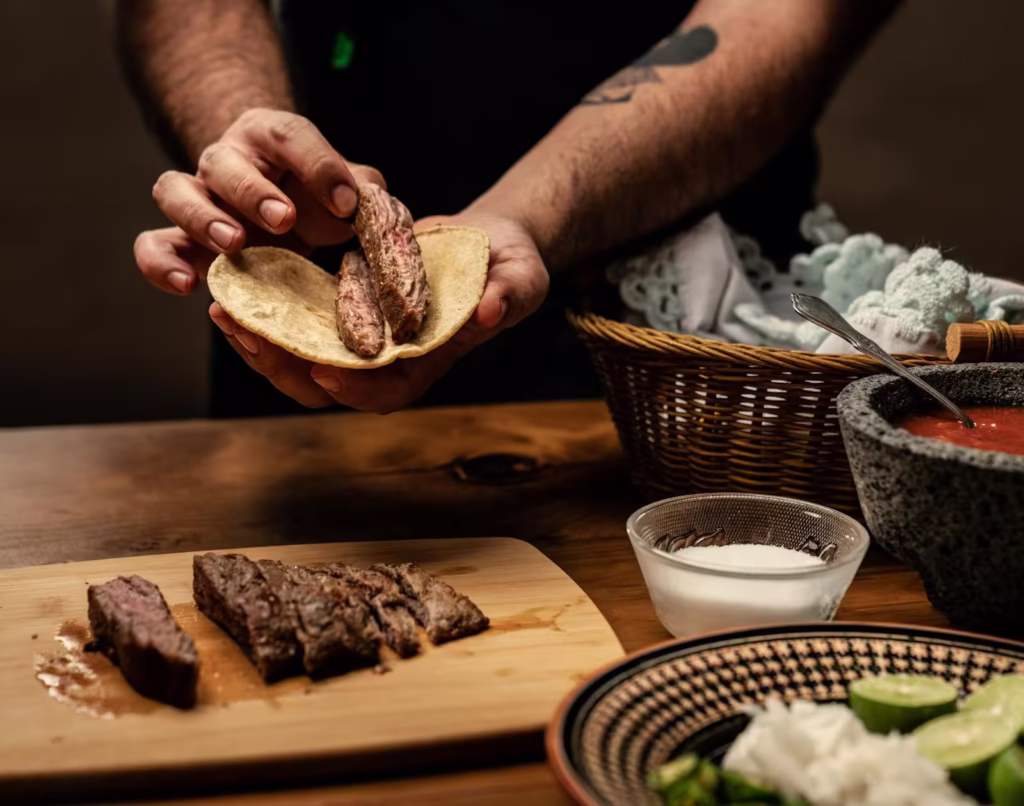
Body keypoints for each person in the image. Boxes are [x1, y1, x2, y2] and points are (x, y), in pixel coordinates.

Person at [121, 0, 900, 418]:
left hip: (670, 342)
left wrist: (520, 217)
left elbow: (785, 13)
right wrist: (254, 158)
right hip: (303, 297)